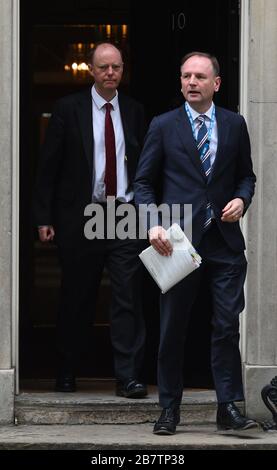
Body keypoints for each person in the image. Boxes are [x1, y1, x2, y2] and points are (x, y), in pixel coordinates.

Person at [134, 52, 257, 433]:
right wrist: (153, 224)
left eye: (200, 77)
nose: (191, 82)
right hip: (177, 243)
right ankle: (169, 409)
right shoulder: (163, 125)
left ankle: (227, 408)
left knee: (225, 327)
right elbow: (142, 183)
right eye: (186, 75)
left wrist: (242, 199)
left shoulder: (235, 125)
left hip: (223, 241)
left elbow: (245, 177)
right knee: (173, 329)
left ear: (215, 84)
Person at [33, 42, 147, 398]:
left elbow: (146, 165)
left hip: (124, 214)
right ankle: (66, 371)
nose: (111, 73)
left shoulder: (134, 110)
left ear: (122, 69)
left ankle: (127, 377)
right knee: (76, 296)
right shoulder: (68, 109)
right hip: (83, 215)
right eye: (104, 68)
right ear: (92, 71)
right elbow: (48, 167)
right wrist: (43, 216)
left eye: (116, 67)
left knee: (128, 297)